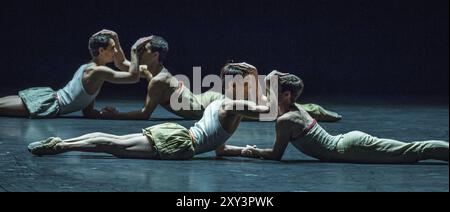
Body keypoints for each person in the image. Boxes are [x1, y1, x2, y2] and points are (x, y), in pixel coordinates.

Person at [27, 63, 276, 160]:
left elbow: (219, 148)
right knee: (116, 146)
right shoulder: (233, 106)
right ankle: (61, 146)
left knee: (116, 143)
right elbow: (270, 110)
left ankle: (62, 144)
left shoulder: (221, 102)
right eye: (250, 83)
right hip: (179, 143)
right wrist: (269, 80)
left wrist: (247, 151)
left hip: (178, 135)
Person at [105, 35, 341, 122]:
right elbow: (128, 68)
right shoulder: (155, 73)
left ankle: (314, 110)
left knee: (269, 113)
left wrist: (116, 116)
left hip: (209, 104)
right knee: (265, 110)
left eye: (143, 50)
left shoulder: (158, 81)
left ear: (155, 55)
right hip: (207, 98)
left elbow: (145, 114)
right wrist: (117, 41)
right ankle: (312, 109)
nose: (139, 53)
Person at [241, 72, 449, 163]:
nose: (268, 95)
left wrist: (251, 152)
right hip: (348, 144)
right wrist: (273, 77)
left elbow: (276, 155)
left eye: (274, 91)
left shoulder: (286, 120)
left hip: (351, 148)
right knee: (412, 152)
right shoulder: (290, 109)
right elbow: (269, 82)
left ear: (286, 95)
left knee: (413, 151)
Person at [0, 29, 145, 119]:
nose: (115, 52)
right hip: (47, 104)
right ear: (101, 51)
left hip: (48, 99)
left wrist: (115, 37)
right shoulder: (98, 71)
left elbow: (87, 112)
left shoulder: (92, 68)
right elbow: (133, 77)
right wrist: (134, 51)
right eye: (112, 48)